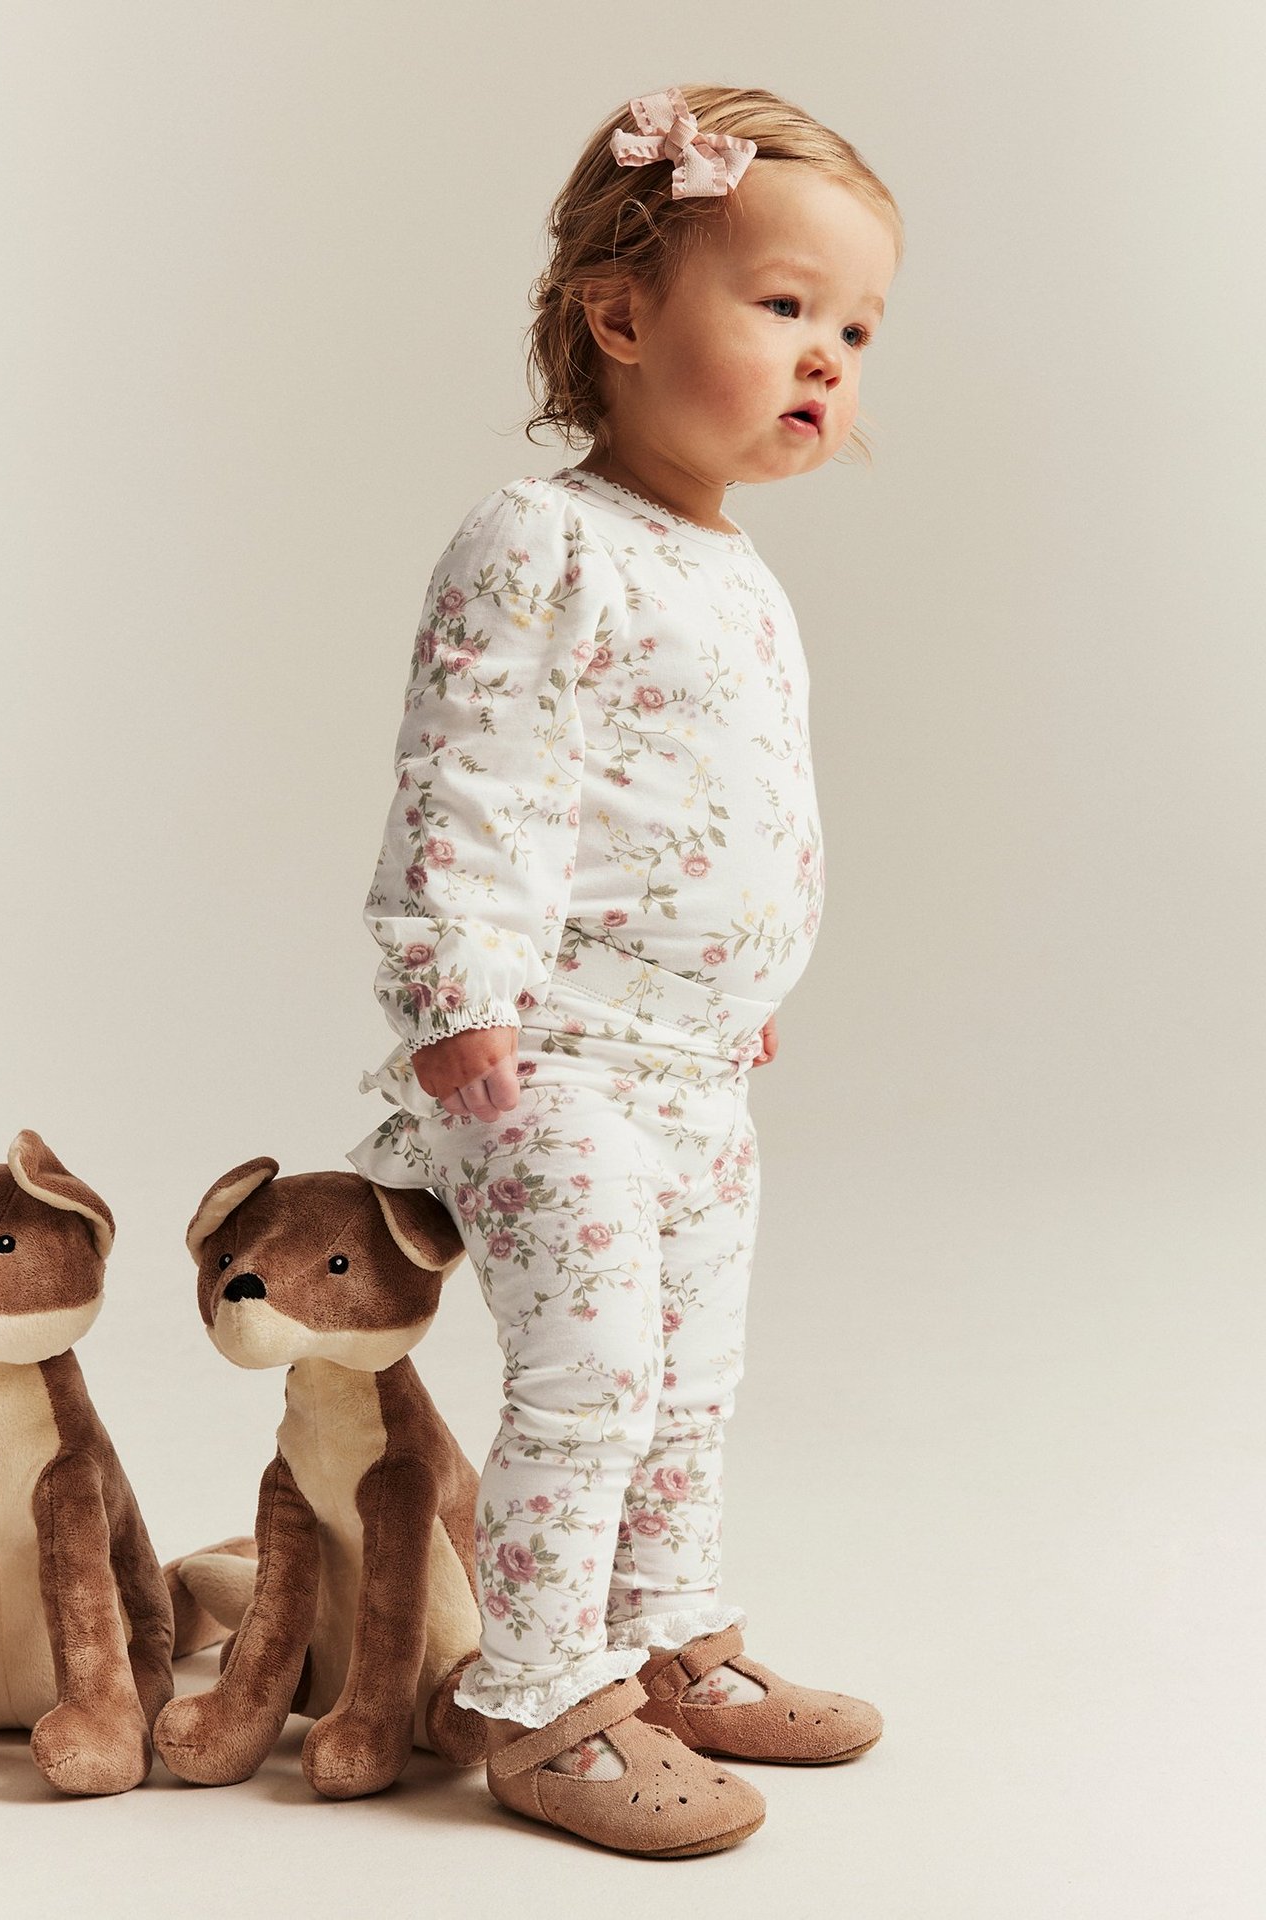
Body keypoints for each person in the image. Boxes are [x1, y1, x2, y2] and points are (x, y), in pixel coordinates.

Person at [347, 82, 902, 1858]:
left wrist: (737, 992)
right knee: (591, 1376)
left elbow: (720, 812)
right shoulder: (545, 541)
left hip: (692, 1064)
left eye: (858, 330)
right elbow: (478, 775)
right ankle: (540, 1694)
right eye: (787, 305)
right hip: (553, 1061)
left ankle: (665, 1638)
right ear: (621, 316)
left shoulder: (736, 572)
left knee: (694, 1374)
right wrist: (461, 1001)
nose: (829, 358)